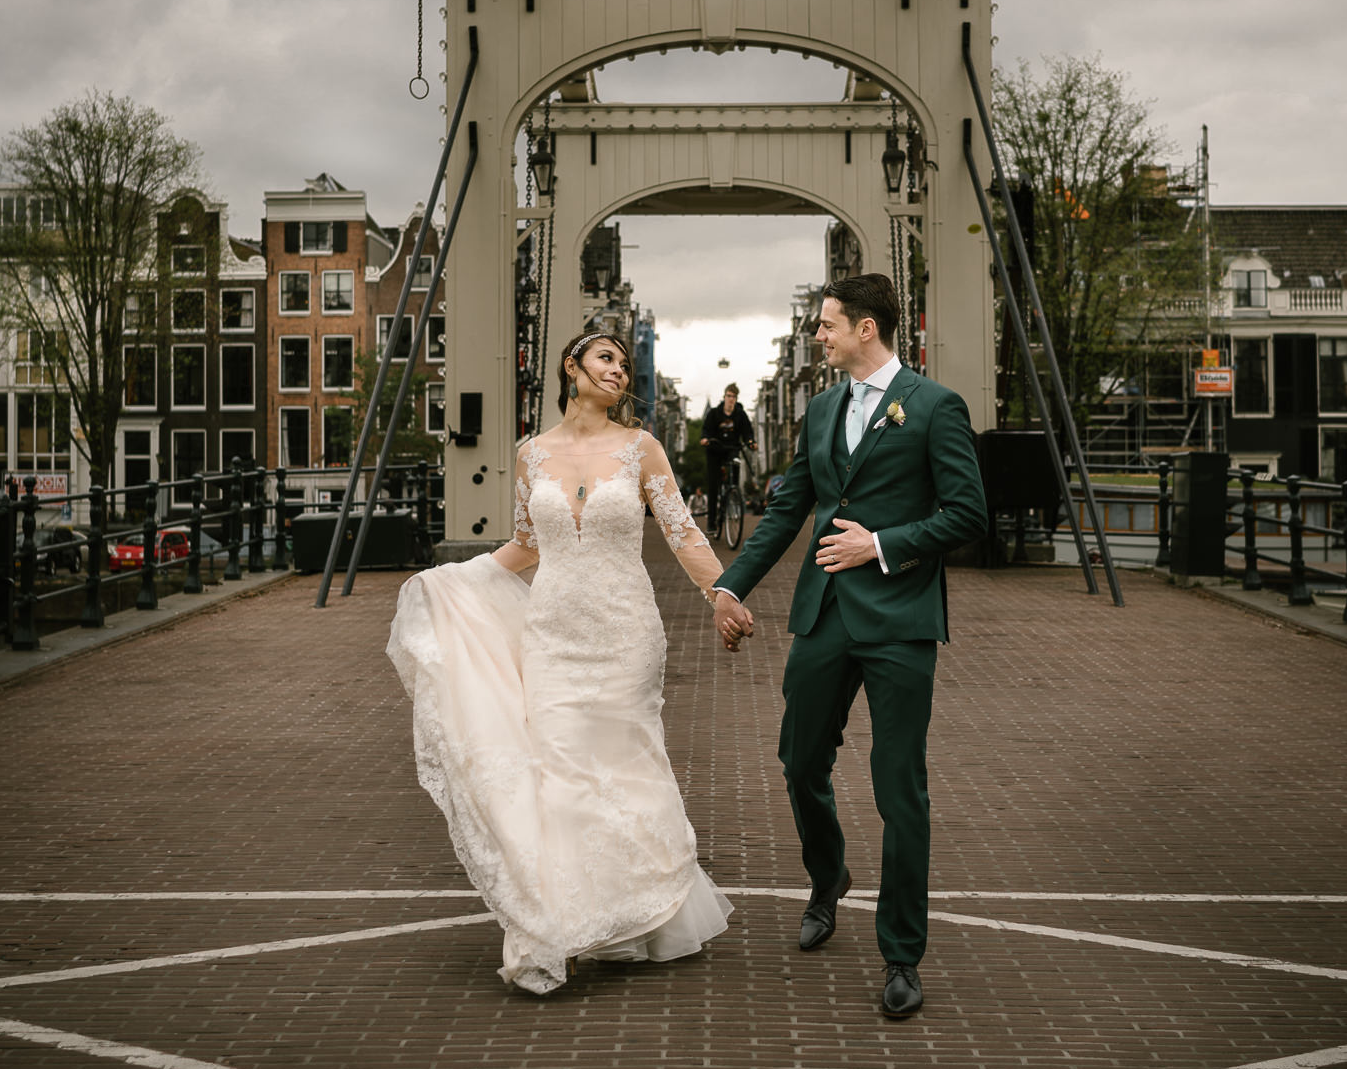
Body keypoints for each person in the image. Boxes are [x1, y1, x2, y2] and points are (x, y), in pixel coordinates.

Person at [386, 330, 733, 995]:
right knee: (559, 772)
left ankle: (638, 912)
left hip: (624, 631)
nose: (618, 370)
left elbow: (682, 532)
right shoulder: (529, 455)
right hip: (550, 631)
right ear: (570, 368)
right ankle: (562, 921)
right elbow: (525, 545)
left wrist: (722, 594)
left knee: (625, 765)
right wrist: (454, 581)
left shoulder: (641, 449)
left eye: (625, 363)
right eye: (605, 357)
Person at [711, 273, 987, 1020]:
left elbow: (968, 512)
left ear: (866, 328)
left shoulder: (935, 407)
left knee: (900, 787)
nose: (818, 336)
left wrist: (884, 545)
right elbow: (788, 509)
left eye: (827, 325)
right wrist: (731, 586)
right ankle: (826, 877)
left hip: (900, 620)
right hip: (824, 614)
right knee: (799, 762)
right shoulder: (822, 408)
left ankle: (901, 953)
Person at [700, 382, 757, 524]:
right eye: (729, 396)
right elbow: (706, 429)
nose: (731, 399)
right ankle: (712, 522)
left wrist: (751, 442)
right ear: (724, 397)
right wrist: (705, 439)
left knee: (734, 475)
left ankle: (733, 493)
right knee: (713, 485)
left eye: (734, 397)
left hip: (732, 449)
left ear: (736, 399)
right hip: (715, 450)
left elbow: (747, 432)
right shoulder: (714, 413)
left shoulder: (740, 415)